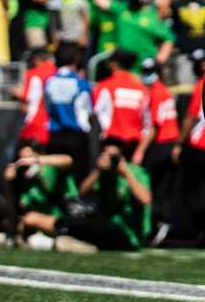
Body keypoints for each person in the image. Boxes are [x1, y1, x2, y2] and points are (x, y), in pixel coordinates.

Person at [21, 143, 152, 252]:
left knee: (86, 225)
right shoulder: (103, 175)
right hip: (105, 222)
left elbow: (145, 199)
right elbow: (82, 193)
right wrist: (99, 171)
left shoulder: (136, 172)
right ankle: (71, 242)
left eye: (113, 157)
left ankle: (54, 242)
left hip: (128, 233)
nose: (109, 160)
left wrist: (125, 173)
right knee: (83, 222)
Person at [173, 51, 205, 247]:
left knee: (192, 192)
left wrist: (178, 142)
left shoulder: (204, 83)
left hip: (200, 144)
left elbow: (191, 116)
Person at [133, 58, 180, 246]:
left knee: (152, 186)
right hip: (168, 144)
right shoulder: (162, 91)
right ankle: (162, 222)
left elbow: (153, 126)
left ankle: (156, 223)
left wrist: (139, 151)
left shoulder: (157, 92)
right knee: (162, 188)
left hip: (160, 145)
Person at [43, 44, 94, 181]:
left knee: (55, 177)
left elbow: (47, 108)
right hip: (76, 136)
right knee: (80, 177)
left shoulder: (49, 82)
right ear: (76, 59)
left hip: (55, 136)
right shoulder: (81, 83)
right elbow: (87, 112)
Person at [92, 49, 151, 160]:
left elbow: (94, 114)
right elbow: (148, 122)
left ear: (113, 64)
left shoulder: (104, 87)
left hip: (110, 144)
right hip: (135, 145)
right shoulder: (143, 89)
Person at [16, 47, 56, 148]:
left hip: (34, 127)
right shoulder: (57, 72)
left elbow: (25, 105)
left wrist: (18, 95)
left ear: (36, 59)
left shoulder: (32, 74)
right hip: (54, 127)